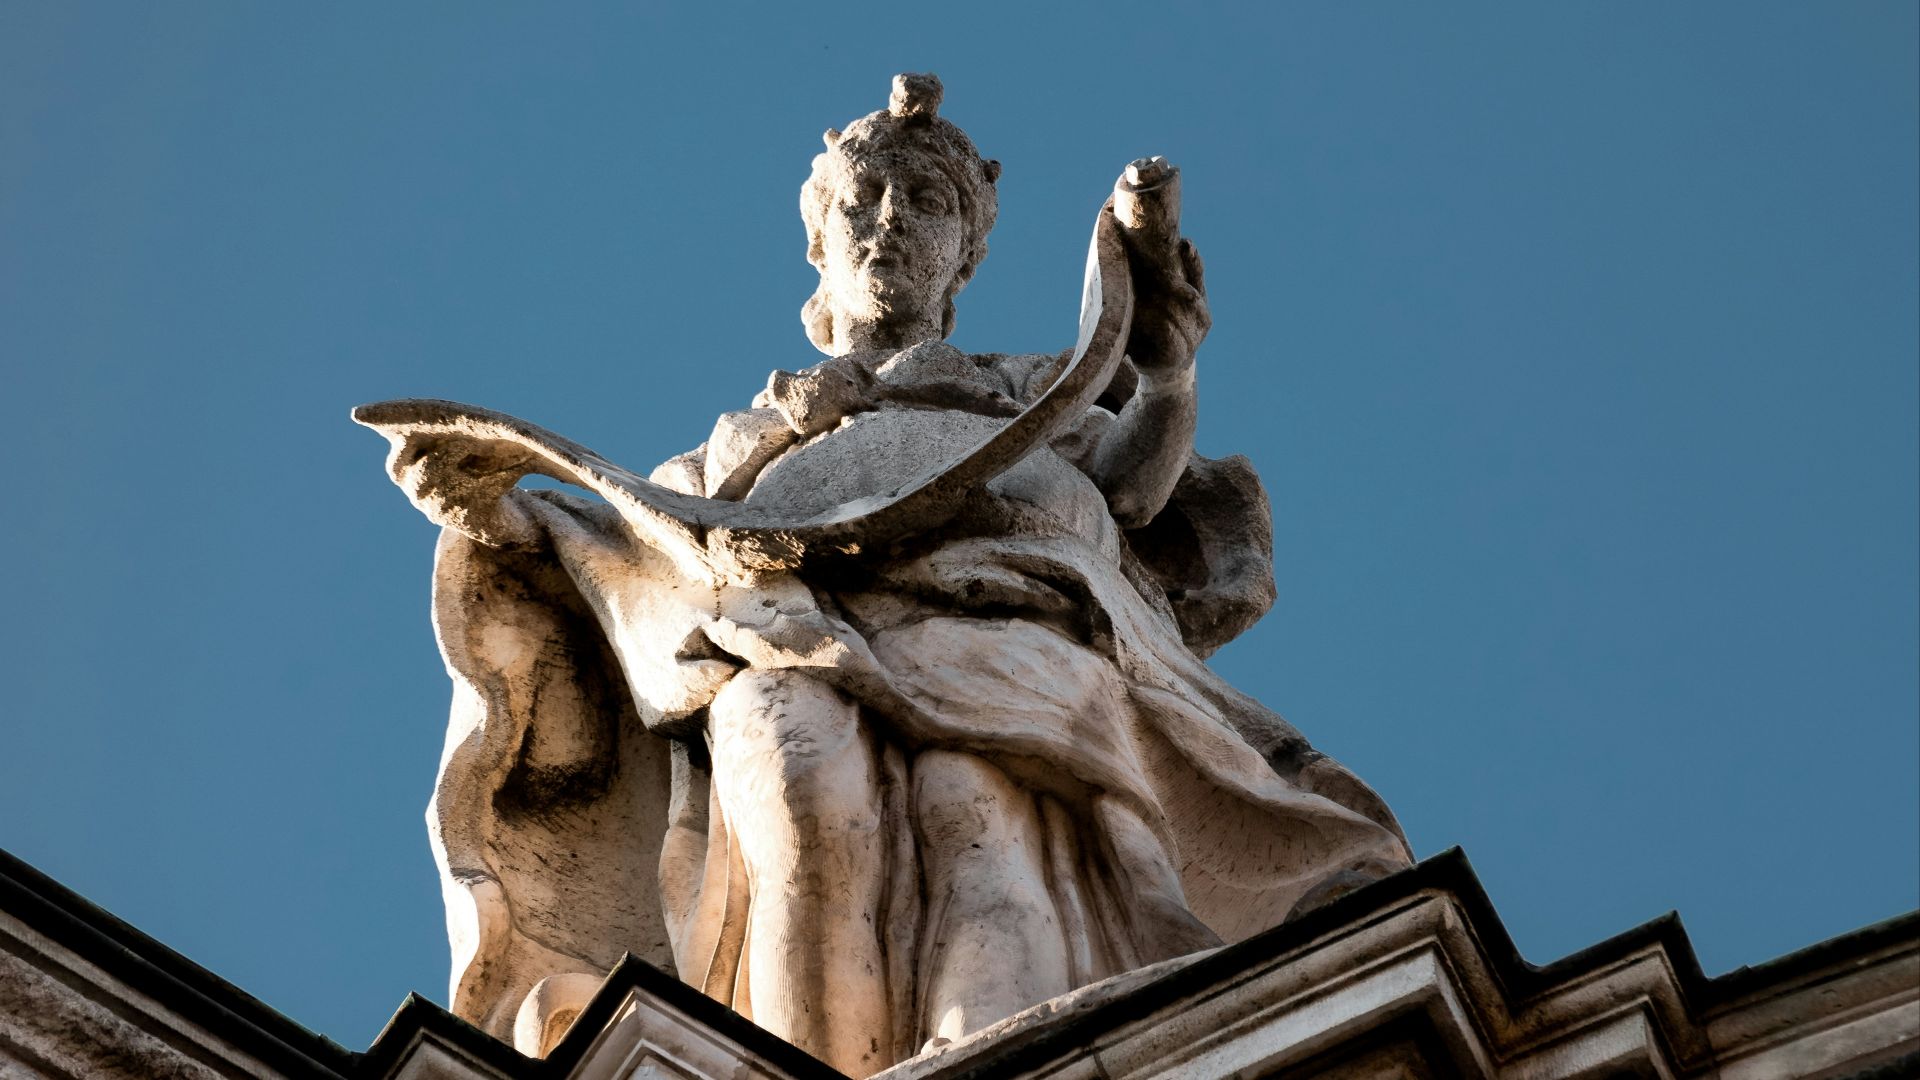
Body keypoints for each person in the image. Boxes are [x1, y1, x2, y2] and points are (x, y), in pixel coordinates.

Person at [362, 74, 1409, 1079]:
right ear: (819, 242)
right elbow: (626, 556)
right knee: (788, 788)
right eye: (863, 199)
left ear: (963, 256)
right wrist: (491, 514)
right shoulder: (742, 441)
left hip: (1010, 624)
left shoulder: (1023, 394)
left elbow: (1134, 491)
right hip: (780, 637)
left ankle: (990, 1041)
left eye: (927, 202)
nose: (890, 220)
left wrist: (1168, 371)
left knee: (978, 820)